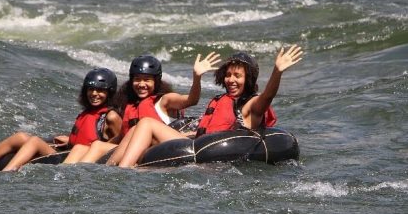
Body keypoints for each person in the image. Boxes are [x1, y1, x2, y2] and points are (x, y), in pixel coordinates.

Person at [115, 45, 303, 168]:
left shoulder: (250, 104)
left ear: (249, 79)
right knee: (136, 129)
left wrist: (277, 72)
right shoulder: (222, 99)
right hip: (196, 144)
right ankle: (109, 168)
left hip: (210, 153)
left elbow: (267, 96)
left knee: (147, 122)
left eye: (237, 76)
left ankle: (123, 171)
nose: (231, 80)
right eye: (228, 75)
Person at [0, 68, 122, 171]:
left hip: (76, 160)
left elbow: (115, 145)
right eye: (91, 89)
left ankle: (8, 173)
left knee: (34, 141)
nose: (94, 94)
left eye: (100, 91)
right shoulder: (87, 112)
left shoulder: (111, 117)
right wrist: (70, 139)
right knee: (20, 136)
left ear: (110, 93)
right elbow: (86, 133)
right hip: (68, 152)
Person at [68, 52, 221, 164]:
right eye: (137, 80)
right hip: (136, 148)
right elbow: (122, 137)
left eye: (147, 80)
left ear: (156, 81)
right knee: (88, 146)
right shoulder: (130, 106)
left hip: (163, 147)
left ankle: (119, 170)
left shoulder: (164, 100)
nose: (141, 84)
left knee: (144, 123)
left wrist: (197, 77)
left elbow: (191, 100)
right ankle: (76, 177)